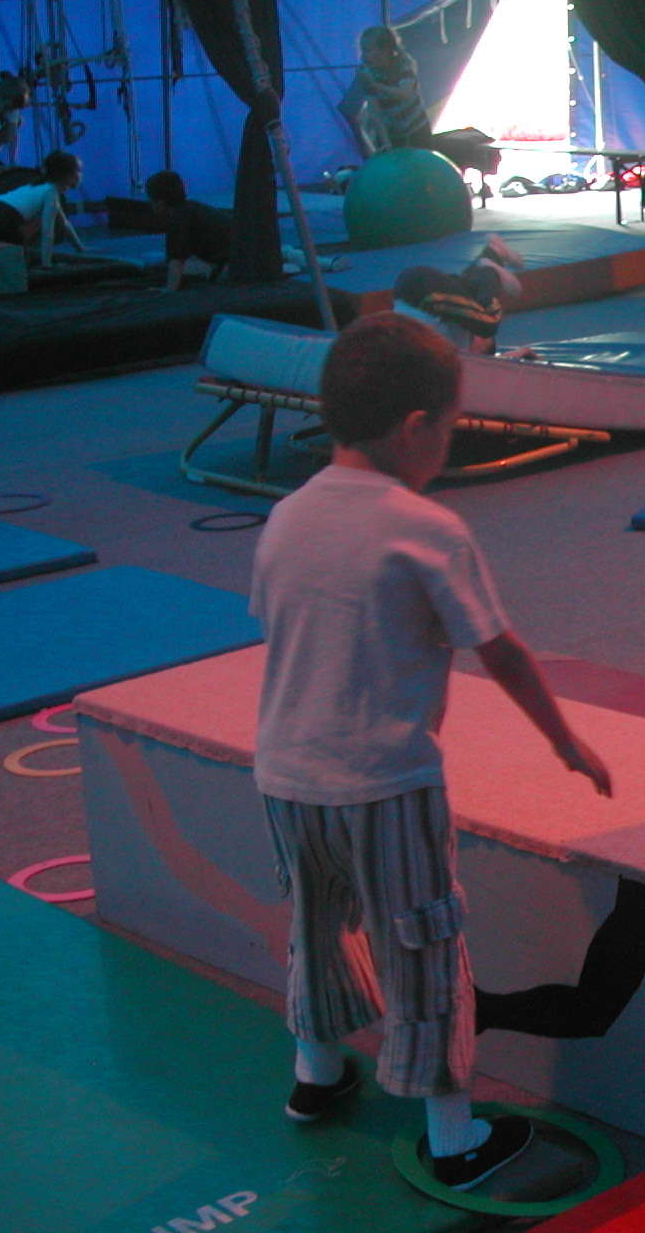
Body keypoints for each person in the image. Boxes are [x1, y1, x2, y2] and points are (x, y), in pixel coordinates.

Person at [250, 312, 610, 1193]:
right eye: (449, 430)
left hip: (287, 776)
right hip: (384, 783)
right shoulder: (425, 527)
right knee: (424, 943)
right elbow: (501, 650)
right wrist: (564, 740)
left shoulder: (286, 518)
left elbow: (284, 627)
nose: (447, 447)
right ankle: (454, 1137)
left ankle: (315, 1073)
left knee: (318, 926)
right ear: (415, 428)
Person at [341, 27, 501, 177]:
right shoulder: (368, 73)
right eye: (362, 51)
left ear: (384, 51)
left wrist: (374, 85)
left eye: (367, 50)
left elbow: (403, 93)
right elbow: (374, 110)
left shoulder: (403, 66)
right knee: (401, 169)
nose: (363, 56)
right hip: (393, 131)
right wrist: (385, 141)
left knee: (423, 165)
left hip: (416, 129)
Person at [392, 235, 527, 355]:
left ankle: (491, 260)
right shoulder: (460, 337)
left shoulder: (458, 349)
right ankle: (493, 258)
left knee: (484, 317)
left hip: (417, 293)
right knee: (485, 318)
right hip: (418, 292)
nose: (477, 337)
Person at [0, 148, 86, 266]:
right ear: (67, 175)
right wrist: (47, 264)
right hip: (1, 215)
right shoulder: (50, 193)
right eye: (78, 171)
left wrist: (81, 248)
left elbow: (64, 223)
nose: (81, 175)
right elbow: (47, 233)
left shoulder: (40, 186)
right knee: (38, 222)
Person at [148, 170, 235, 293]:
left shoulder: (178, 219)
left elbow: (176, 259)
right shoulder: (191, 208)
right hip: (240, 254)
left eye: (151, 200)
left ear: (161, 204)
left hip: (236, 262)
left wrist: (169, 290)